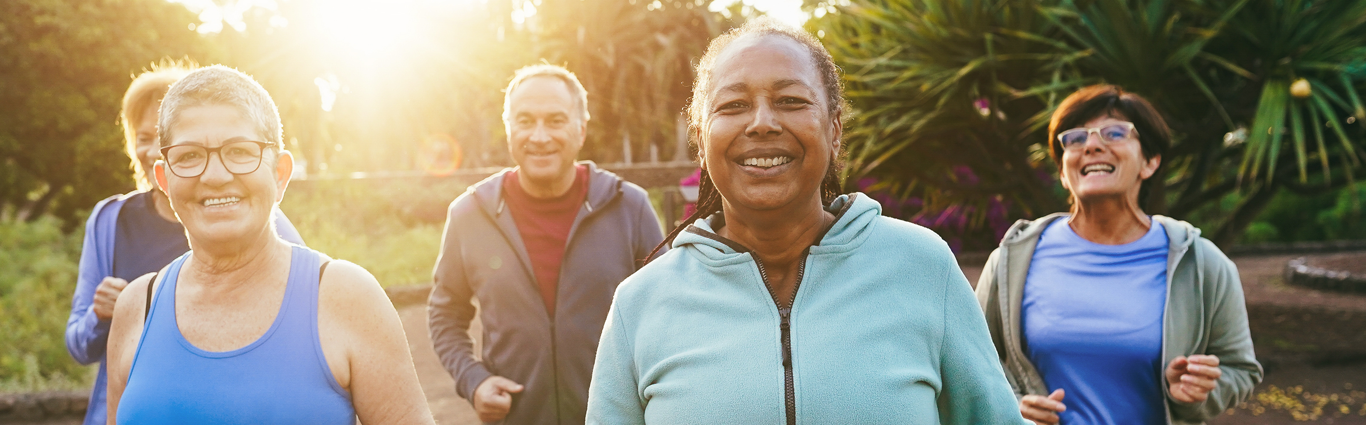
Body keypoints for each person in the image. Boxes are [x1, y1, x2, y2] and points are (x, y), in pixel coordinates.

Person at [586, 19, 1028, 424]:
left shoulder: (923, 266)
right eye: (734, 104)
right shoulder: (640, 304)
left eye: (791, 101)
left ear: (834, 130)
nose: (762, 123)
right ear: (701, 138)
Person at [103, 65, 434, 424]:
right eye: (189, 156)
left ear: (279, 174)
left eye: (240, 151)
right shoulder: (137, 307)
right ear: (164, 179)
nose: (215, 176)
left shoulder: (346, 298)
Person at [974, 85, 1262, 425]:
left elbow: (1240, 369)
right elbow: (973, 363)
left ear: (1150, 162)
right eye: (1075, 139)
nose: (1093, 145)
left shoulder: (1201, 262)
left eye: (1114, 133)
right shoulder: (1013, 258)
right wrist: (1013, 405)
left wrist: (1197, 393)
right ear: (1064, 172)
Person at [64, 61, 305, 425]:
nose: (149, 151)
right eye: (141, 139)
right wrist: (102, 316)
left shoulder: (254, 214)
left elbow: (301, 316)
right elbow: (79, 345)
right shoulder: (110, 220)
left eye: (163, 140)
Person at [427, 64, 665, 424]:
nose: (539, 137)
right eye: (525, 121)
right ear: (509, 129)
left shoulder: (629, 206)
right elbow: (445, 314)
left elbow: (666, 310)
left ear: (580, 130)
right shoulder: (469, 214)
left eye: (555, 121)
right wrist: (473, 380)